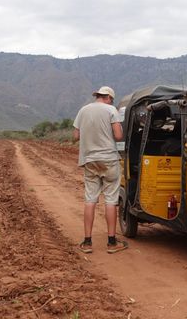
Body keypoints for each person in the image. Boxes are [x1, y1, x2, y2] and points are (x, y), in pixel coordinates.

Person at [73, 86, 128, 254]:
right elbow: (118, 136)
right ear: (109, 98)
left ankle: (87, 242)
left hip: (89, 160)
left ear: (98, 96)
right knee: (111, 200)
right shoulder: (111, 110)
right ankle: (112, 243)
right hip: (109, 160)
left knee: (90, 199)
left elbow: (75, 137)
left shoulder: (83, 110)